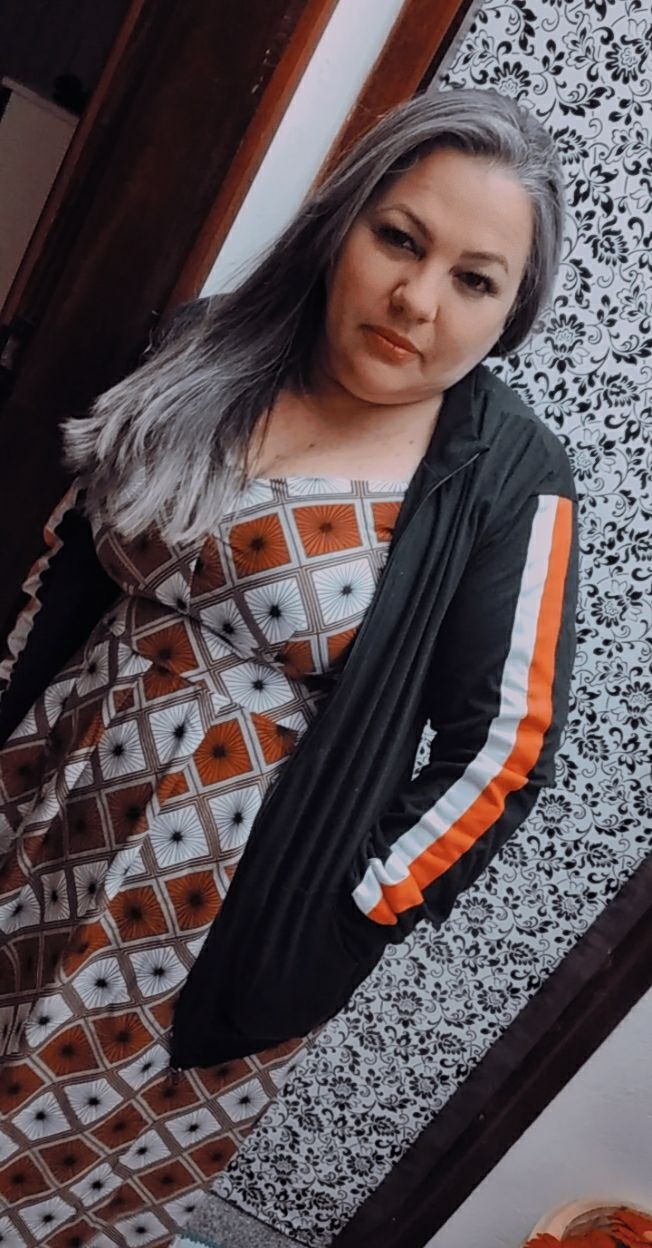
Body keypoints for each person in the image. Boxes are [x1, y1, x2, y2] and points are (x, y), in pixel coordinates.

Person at [0, 87, 577, 1245]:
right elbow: (68, 562)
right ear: (342, 223)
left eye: (473, 280)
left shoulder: (508, 476)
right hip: (38, 795)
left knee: (43, 1186)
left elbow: (502, 755)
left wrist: (346, 914)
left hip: (211, 911)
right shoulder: (208, 345)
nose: (417, 300)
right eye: (398, 239)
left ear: (510, 313)